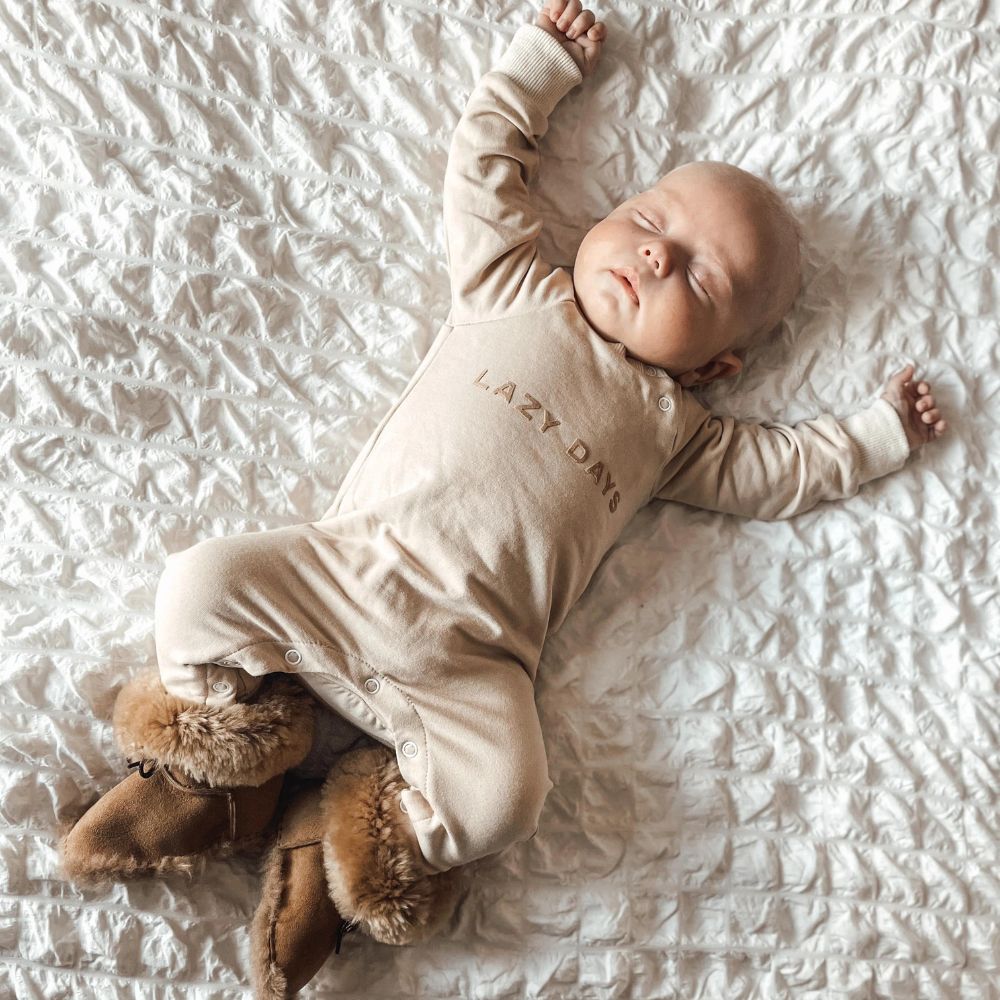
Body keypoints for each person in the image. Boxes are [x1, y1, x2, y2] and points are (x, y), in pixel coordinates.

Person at [59, 2, 947, 994]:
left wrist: (878, 434)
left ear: (715, 365)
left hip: (471, 664)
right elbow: (482, 165)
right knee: (200, 582)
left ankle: (350, 827)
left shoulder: (676, 432)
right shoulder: (515, 284)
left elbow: (779, 472)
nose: (657, 255)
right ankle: (225, 766)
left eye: (700, 279)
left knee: (507, 798)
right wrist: (539, 69)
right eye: (651, 220)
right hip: (342, 575)